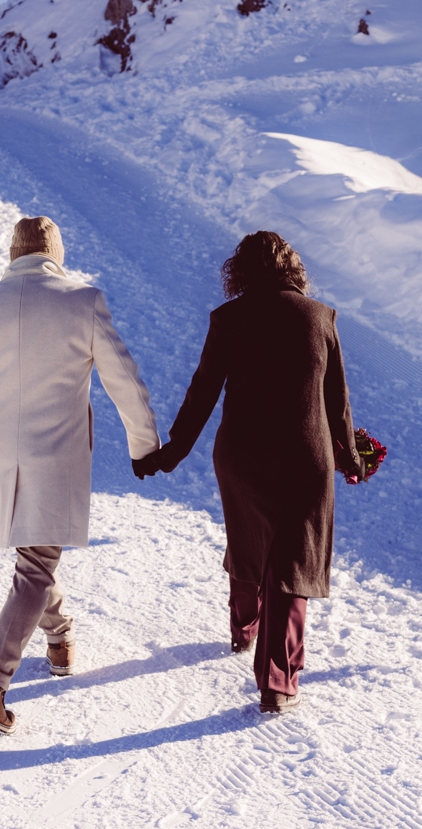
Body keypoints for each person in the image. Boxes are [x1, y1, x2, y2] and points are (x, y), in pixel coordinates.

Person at [0, 216, 162, 733]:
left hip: (3, 455)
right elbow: (123, 377)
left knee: (36, 551)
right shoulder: (82, 301)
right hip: (57, 454)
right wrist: (143, 444)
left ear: (12, 255)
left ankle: (60, 638)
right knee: (37, 562)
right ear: (55, 255)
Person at [145, 231, 366, 713]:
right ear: (294, 269)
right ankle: (277, 683)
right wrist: (349, 456)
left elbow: (202, 391)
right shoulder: (320, 317)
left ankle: (243, 628)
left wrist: (171, 452)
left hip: (241, 455)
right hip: (304, 456)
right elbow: (337, 401)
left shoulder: (229, 319)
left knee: (248, 538)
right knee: (292, 559)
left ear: (239, 272)